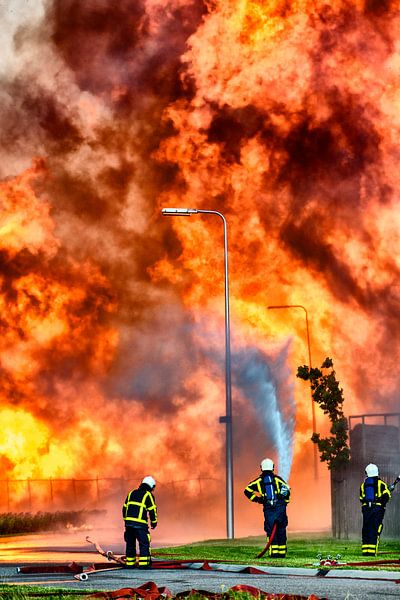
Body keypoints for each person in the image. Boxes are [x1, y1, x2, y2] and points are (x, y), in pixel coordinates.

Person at [244, 458, 290, 557]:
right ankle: (282, 553)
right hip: (280, 508)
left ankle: (274, 554)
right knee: (281, 529)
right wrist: (284, 503)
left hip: (269, 508)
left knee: (271, 530)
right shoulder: (278, 479)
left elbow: (247, 490)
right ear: (273, 467)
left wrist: (258, 499)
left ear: (261, 468)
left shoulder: (259, 481)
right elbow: (287, 490)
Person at [122, 475, 158, 568]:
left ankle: (130, 564)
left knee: (130, 544)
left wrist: (126, 521)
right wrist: (154, 522)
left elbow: (124, 508)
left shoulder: (131, 493)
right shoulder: (148, 495)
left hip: (129, 524)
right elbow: (152, 510)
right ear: (151, 486)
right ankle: (144, 565)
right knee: (144, 543)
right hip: (140, 524)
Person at [359, 463, 391, 556]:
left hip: (366, 509)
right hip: (377, 509)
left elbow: (361, 498)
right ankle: (373, 552)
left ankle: (366, 551)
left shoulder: (363, 485)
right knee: (375, 528)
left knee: (366, 528)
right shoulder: (382, 484)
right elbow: (387, 497)